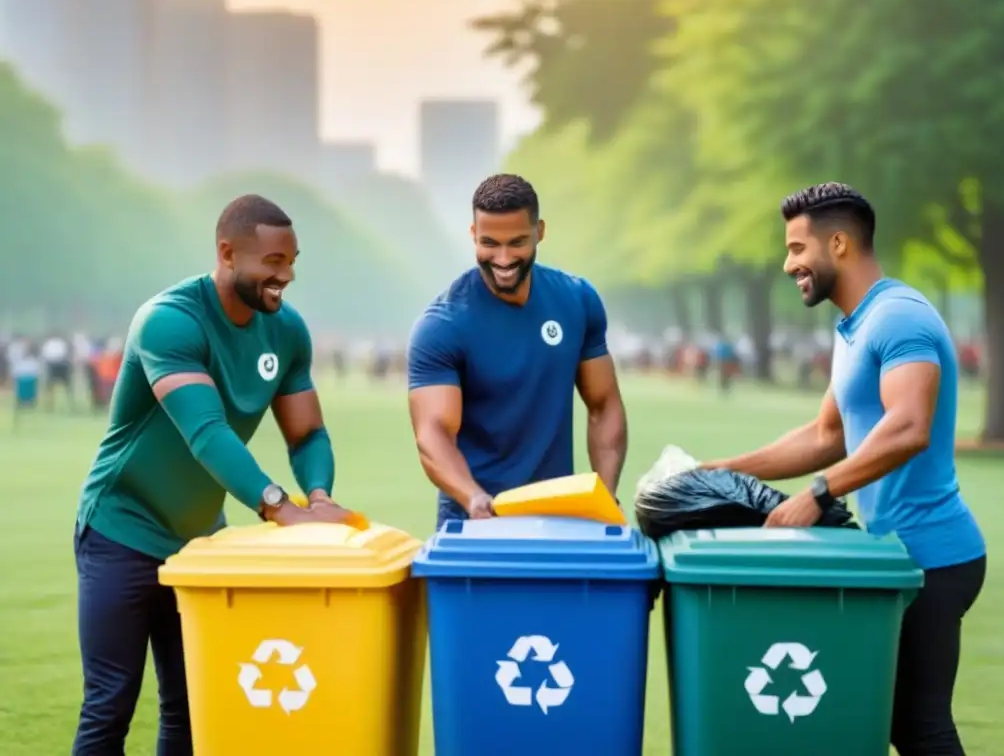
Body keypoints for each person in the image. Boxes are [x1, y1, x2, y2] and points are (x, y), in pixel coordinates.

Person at [703, 182, 985, 756]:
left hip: (935, 557)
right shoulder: (854, 326)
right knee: (895, 723)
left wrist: (817, 494)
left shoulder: (898, 318)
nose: (788, 265)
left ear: (838, 244)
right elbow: (826, 435)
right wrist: (718, 471)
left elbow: (910, 426)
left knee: (920, 727)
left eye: (797, 249)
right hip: (894, 557)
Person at [72, 195, 357, 755]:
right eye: (273, 262)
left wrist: (318, 497)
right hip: (119, 532)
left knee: (191, 709)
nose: (287, 275)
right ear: (227, 253)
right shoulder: (169, 322)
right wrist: (281, 508)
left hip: (199, 544)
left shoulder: (286, 331)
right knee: (110, 704)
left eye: (292, 260)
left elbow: (307, 434)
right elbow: (206, 433)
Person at [406, 174, 627, 528]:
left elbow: (603, 404)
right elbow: (433, 434)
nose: (503, 258)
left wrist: (607, 493)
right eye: (489, 243)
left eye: (517, 242)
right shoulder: (442, 325)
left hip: (559, 516)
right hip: (472, 521)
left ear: (539, 231)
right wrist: (474, 499)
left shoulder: (577, 299)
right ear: (473, 234)